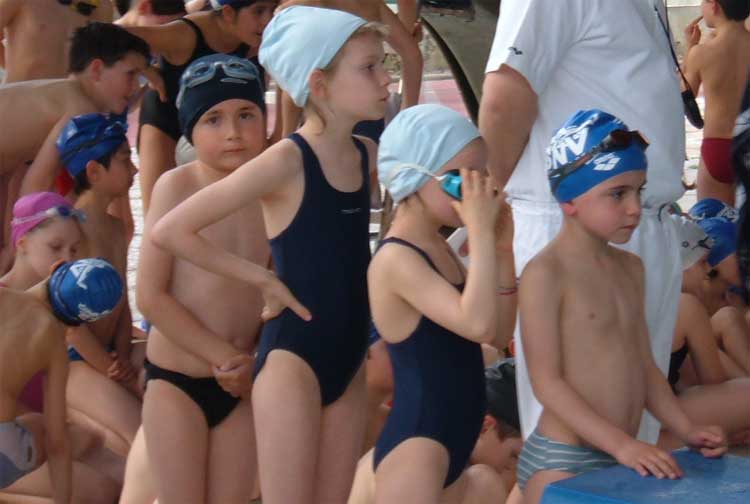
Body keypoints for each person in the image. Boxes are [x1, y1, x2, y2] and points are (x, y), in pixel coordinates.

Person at [151, 7, 387, 502]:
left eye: (383, 65)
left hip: (348, 359)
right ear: (319, 83)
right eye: (370, 67)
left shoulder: (365, 155)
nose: (385, 78)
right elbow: (172, 231)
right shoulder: (285, 159)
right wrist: (263, 281)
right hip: (292, 360)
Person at [479, 0, 687, 449]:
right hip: (573, 222)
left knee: (636, 420)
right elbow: (503, 100)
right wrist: (511, 207)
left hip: (638, 220)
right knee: (571, 438)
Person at [516, 109, 726, 504]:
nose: (634, 207)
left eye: (638, 191)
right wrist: (624, 446)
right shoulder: (545, 274)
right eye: (618, 194)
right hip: (563, 457)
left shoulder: (631, 268)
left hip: (618, 454)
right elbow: (547, 383)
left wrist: (685, 428)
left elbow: (645, 368)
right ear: (569, 199)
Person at [135, 54, 270, 504]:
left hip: (242, 382)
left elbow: (281, 291)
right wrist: (225, 357)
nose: (233, 132)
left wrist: (256, 361)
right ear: (190, 130)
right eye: (214, 119)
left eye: (246, 114)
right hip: (177, 381)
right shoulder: (175, 188)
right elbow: (150, 296)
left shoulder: (274, 193)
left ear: (265, 120)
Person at [369, 104, 513, 503]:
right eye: (463, 178)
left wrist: (502, 253)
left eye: (482, 175)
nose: (478, 190)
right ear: (416, 176)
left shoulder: (438, 247)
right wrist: (481, 233)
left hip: (453, 437)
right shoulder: (396, 258)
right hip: (418, 447)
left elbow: (497, 333)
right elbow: (477, 324)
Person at [0, 22, 154, 274]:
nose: (135, 85)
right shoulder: (79, 108)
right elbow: (35, 185)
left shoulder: (67, 94)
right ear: (97, 69)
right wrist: (16, 249)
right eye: (131, 75)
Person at [46, 113, 142, 458]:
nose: (135, 169)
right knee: (141, 436)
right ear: (94, 171)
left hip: (111, 352)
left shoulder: (115, 227)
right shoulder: (70, 232)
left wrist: (123, 354)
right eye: (124, 160)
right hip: (73, 361)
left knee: (178, 385)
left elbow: (122, 303)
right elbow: (67, 325)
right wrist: (112, 370)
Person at [124, 0, 277, 213]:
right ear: (228, 13)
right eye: (258, 11)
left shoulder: (261, 37)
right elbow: (110, 35)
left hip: (227, 124)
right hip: (166, 118)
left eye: (272, 9)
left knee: (239, 210)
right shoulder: (184, 34)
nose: (268, 20)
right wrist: (145, 69)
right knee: (159, 210)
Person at [0, 258, 123, 503]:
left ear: (55, 266)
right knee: (44, 427)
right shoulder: (55, 346)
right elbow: (57, 443)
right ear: (80, 322)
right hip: (5, 454)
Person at [683, 0, 750, 205]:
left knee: (714, 219)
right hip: (747, 141)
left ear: (714, 6)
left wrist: (690, 48)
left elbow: (684, 97)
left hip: (716, 147)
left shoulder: (702, 53)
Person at [0, 0, 114, 83]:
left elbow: (102, 61)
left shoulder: (102, 6)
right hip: (22, 97)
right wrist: (15, 69)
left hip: (70, 102)